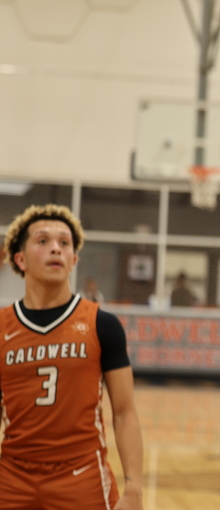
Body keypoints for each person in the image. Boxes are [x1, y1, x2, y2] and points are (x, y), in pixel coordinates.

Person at [0, 204, 144, 510]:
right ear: (20, 259)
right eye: (43, 241)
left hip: (81, 474)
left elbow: (124, 412)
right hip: (11, 475)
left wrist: (134, 488)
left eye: (65, 243)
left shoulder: (102, 324)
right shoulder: (1, 327)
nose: (56, 249)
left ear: (74, 260)